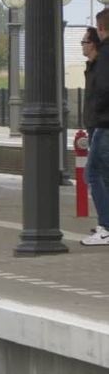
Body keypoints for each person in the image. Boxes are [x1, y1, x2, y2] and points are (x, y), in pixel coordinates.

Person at [83, 15, 109, 245]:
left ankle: (106, 226)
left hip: (104, 123)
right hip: (100, 123)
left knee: (92, 173)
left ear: (101, 29)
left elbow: (102, 90)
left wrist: (97, 113)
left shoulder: (105, 57)